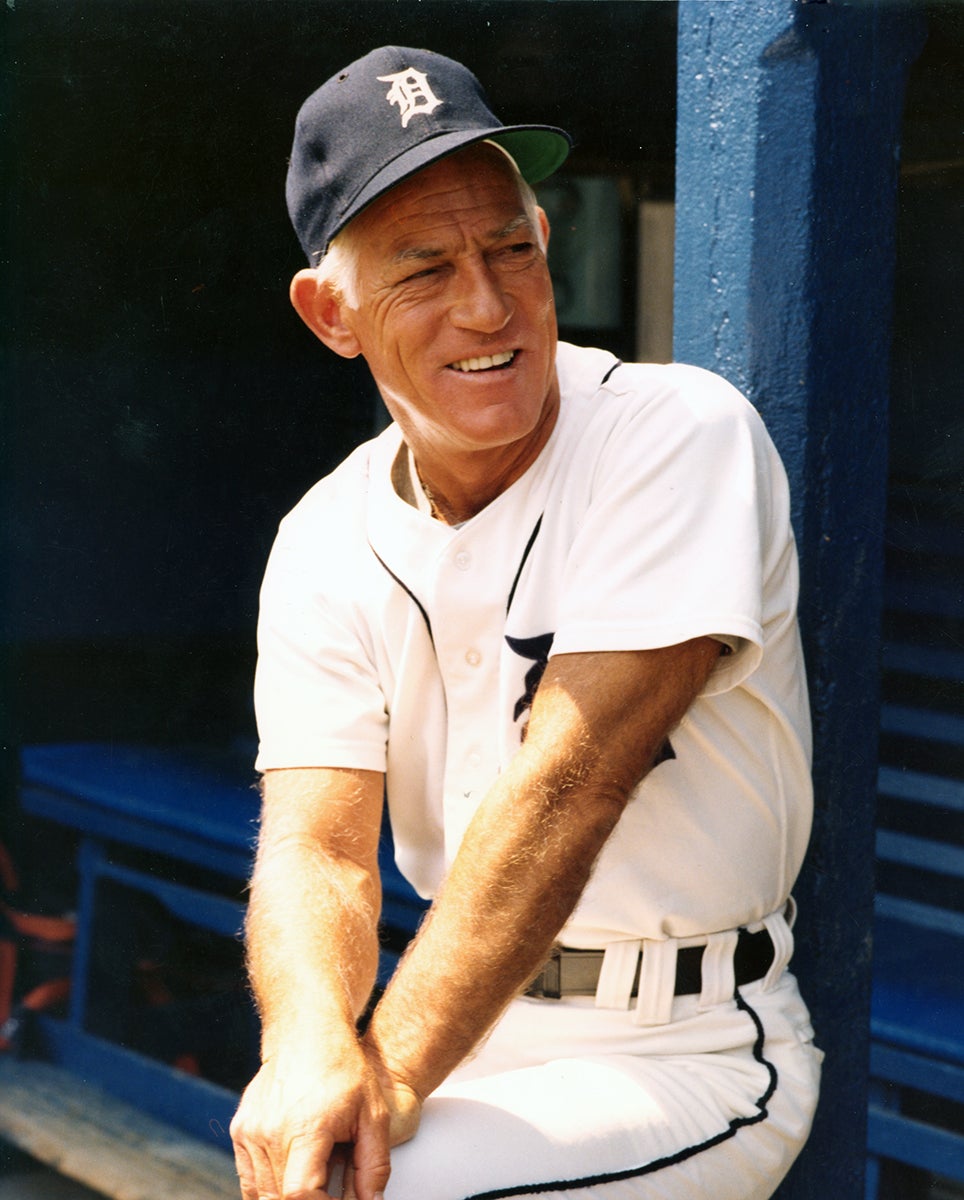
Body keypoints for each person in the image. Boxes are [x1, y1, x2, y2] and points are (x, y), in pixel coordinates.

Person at [229, 45, 822, 1200]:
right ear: (331, 312)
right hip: (478, 1038)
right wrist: (307, 1051)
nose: (486, 306)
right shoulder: (322, 534)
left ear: (545, 243)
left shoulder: (673, 431)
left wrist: (384, 1082)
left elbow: (572, 779)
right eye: (424, 269)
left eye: (509, 249)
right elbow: (318, 849)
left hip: (683, 1045)